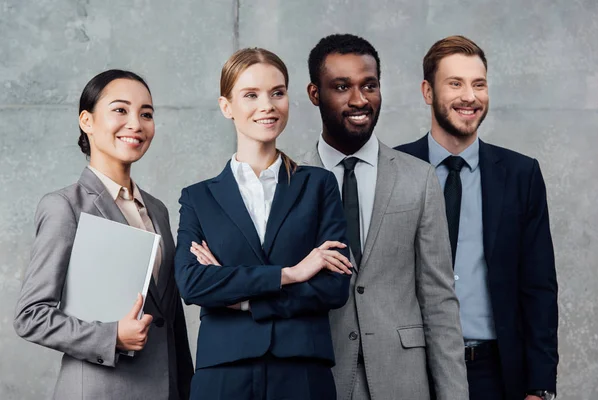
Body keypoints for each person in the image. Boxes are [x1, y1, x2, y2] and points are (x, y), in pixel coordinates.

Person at [175, 48, 353, 400]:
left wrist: (241, 299)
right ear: (227, 106)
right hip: (224, 371)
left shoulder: (318, 185)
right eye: (251, 95)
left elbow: (334, 286)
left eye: (277, 92)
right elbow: (193, 284)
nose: (268, 105)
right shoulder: (198, 198)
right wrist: (291, 274)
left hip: (302, 369)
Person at [301, 33, 468, 400]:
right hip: (318, 377)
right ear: (315, 94)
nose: (359, 100)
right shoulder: (291, 180)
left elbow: (439, 300)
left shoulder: (419, 178)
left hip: (403, 380)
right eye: (342, 87)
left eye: (370, 85)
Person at [395, 35, 558, 400]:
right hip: (410, 371)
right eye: (455, 83)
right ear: (427, 91)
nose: (470, 96)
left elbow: (539, 288)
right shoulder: (394, 169)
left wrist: (541, 386)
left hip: (495, 375)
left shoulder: (520, 174)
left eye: (478, 84)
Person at [13, 69, 193, 400]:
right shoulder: (64, 206)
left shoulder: (157, 209)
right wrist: (111, 337)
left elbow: (170, 318)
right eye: (120, 110)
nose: (136, 124)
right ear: (87, 121)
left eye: (146, 114)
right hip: (100, 391)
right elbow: (30, 316)